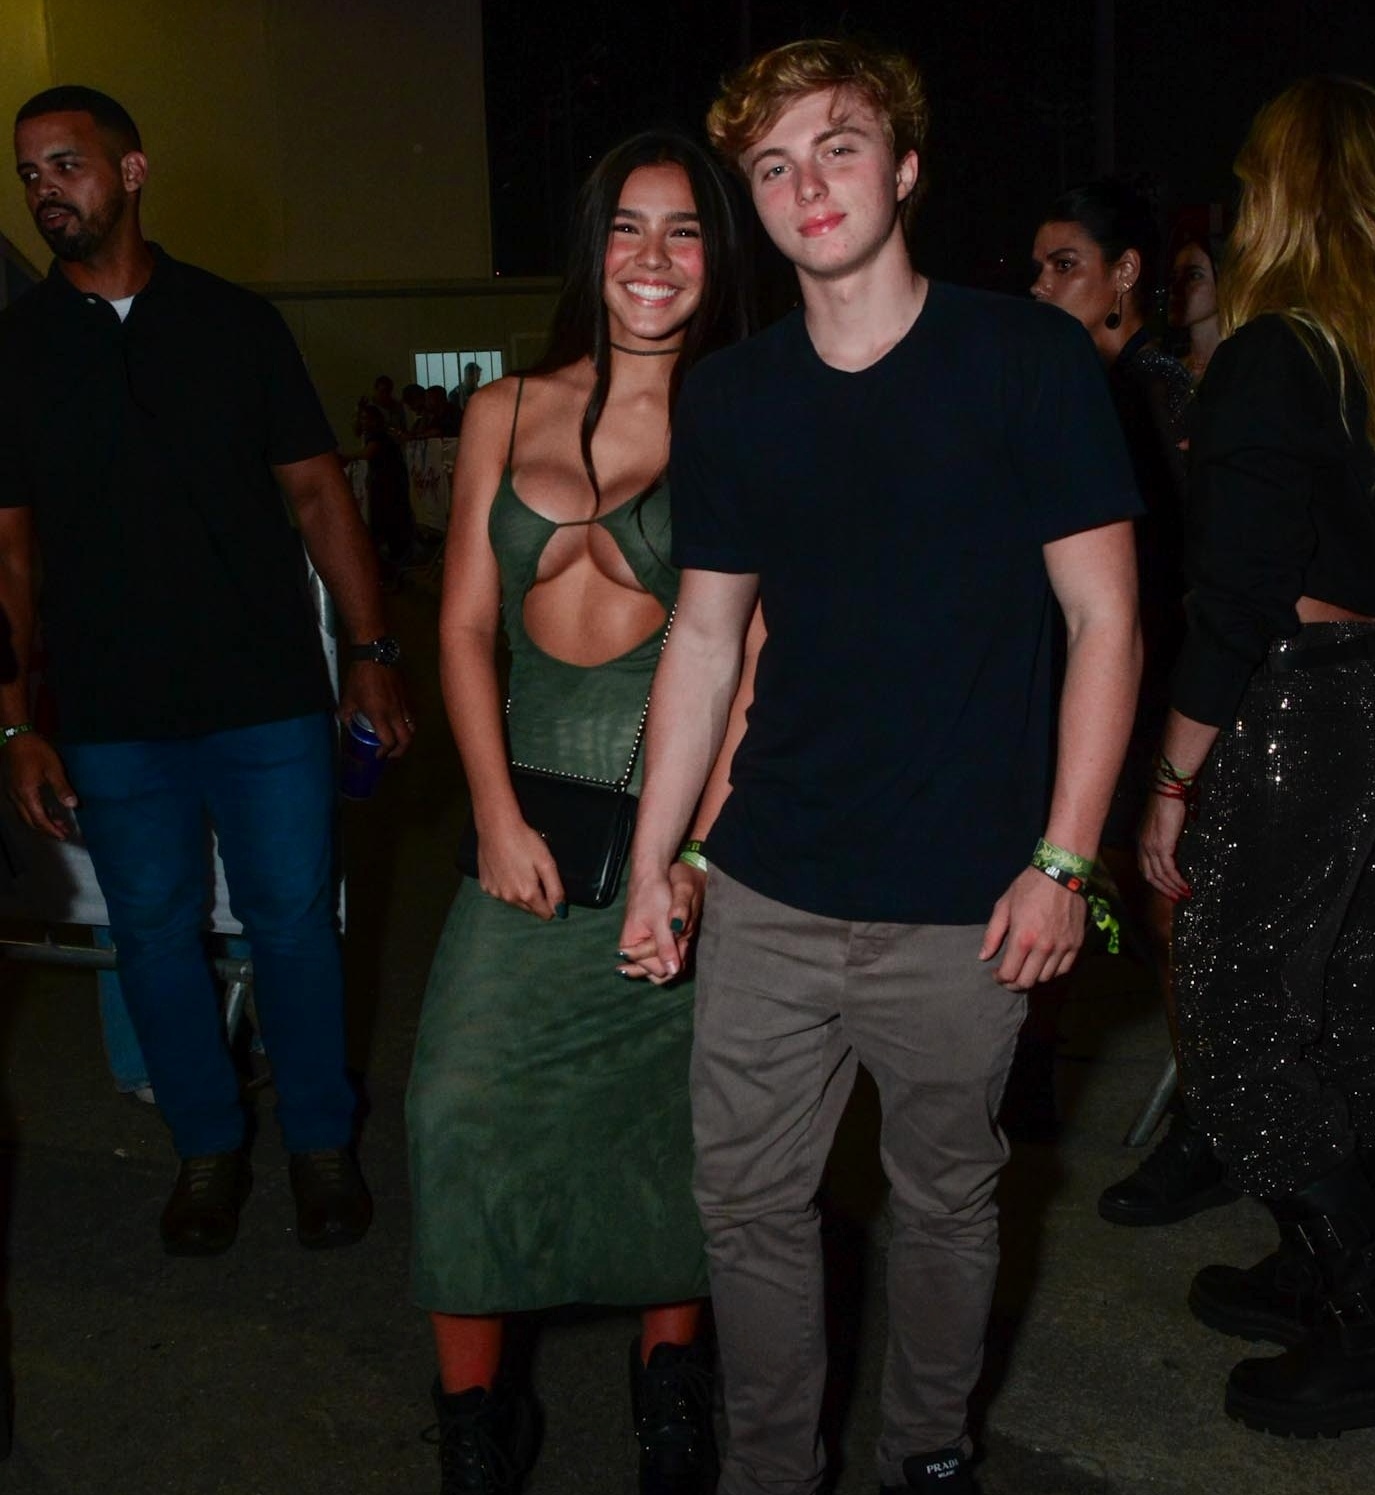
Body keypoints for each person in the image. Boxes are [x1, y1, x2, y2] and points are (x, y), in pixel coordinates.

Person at [620, 39, 1142, 1495]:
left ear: (903, 168)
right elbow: (704, 643)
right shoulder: (730, 397)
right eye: (772, 166)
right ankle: (768, 1469)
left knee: (945, 1205)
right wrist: (661, 859)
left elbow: (1104, 619)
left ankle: (925, 1450)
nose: (807, 185)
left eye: (836, 148)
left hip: (963, 901)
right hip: (770, 882)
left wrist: (1062, 860)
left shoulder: (1024, 358)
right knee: (746, 1207)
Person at [0, 86, 413, 1257]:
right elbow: (9, 553)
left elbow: (320, 497)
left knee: (292, 925)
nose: (44, 190)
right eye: (28, 173)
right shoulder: (16, 349)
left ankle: (320, 1142)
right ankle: (206, 1148)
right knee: (152, 935)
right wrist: (14, 722)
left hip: (266, 698)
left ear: (132, 172)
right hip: (111, 715)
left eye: (67, 163)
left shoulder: (236, 323)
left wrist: (372, 657)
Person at [1137, 76, 1375, 1438]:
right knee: (1344, 1013)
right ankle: (1314, 1270)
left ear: (1276, 196)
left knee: (1234, 1030)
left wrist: (1171, 779)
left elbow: (1232, 603)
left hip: (1298, 716)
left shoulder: (1269, 359)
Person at [405, 129, 752, 1495]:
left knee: (670, 1123)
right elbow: (461, 625)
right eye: (626, 227)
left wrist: (695, 858)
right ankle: (474, 1421)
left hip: (674, 837)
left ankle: (671, 1389)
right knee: (453, 1104)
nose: (652, 259)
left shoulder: (742, 416)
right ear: (591, 246)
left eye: (683, 230)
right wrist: (493, 815)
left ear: (717, 256)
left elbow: (750, 668)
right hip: (525, 833)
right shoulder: (502, 409)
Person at [1031, 182, 1231, 1227]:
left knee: (1160, 900)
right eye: (1036, 266)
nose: (1040, 286)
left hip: (1158, 683)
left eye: (1064, 265)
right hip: (1077, 676)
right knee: (1058, 866)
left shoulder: (1159, 390)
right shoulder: (1061, 383)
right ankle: (1026, 1078)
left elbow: (1207, 567)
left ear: (1124, 275)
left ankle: (1211, 1122)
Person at [344, 402, 415, 586]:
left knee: (389, 527)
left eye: (366, 418)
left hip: (389, 487)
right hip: (386, 486)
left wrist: (345, 458)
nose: (363, 421)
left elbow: (368, 454)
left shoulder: (379, 435)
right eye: (362, 418)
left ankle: (392, 573)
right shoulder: (374, 434)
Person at [1168, 235, 1222, 382]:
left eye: (1194, 276)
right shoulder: (1172, 373)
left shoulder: (1241, 368)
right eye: (1174, 277)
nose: (1176, 287)